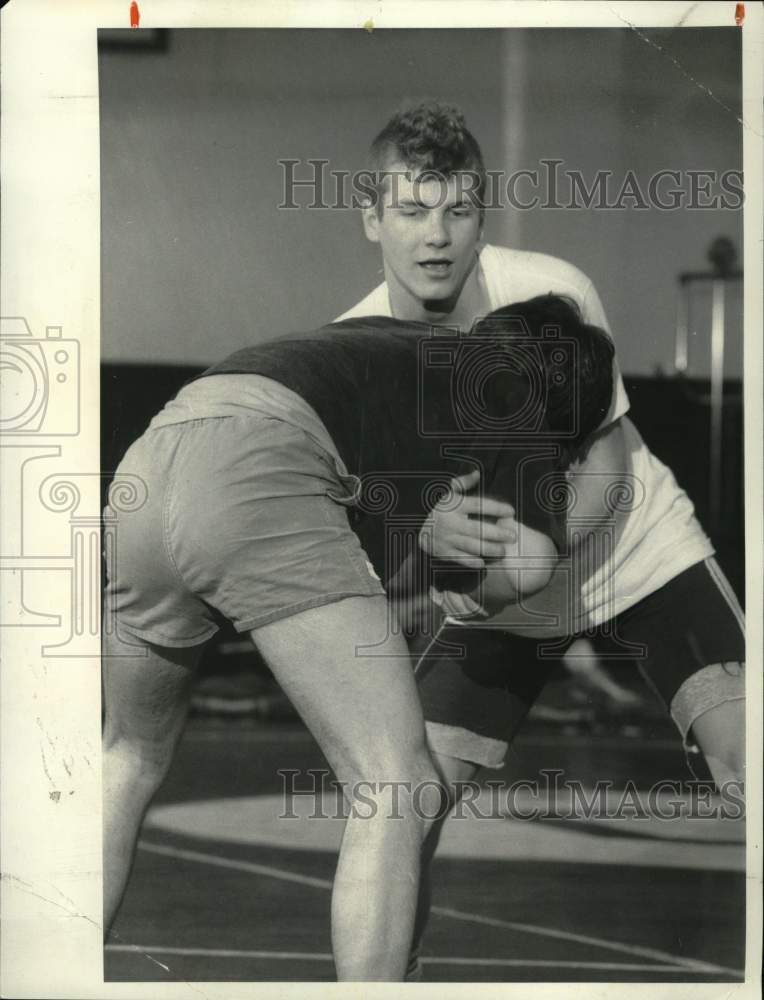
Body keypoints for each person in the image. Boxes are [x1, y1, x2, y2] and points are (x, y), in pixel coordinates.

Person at [335, 101, 745, 979]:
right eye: (412, 211)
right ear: (372, 218)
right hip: (491, 602)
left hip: (634, 552)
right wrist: (423, 527)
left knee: (747, 751)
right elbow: (374, 528)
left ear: (485, 213)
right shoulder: (354, 355)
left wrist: (534, 556)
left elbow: (604, 466)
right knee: (402, 806)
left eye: (460, 209)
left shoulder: (551, 289)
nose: (437, 237)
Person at [102, 295, 614, 981]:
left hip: (152, 459)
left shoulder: (397, 346)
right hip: (259, 473)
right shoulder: (518, 394)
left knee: (126, 757)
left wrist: (422, 517)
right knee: (397, 783)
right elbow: (531, 562)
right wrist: (463, 586)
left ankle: (50, 971)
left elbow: (336, 446)